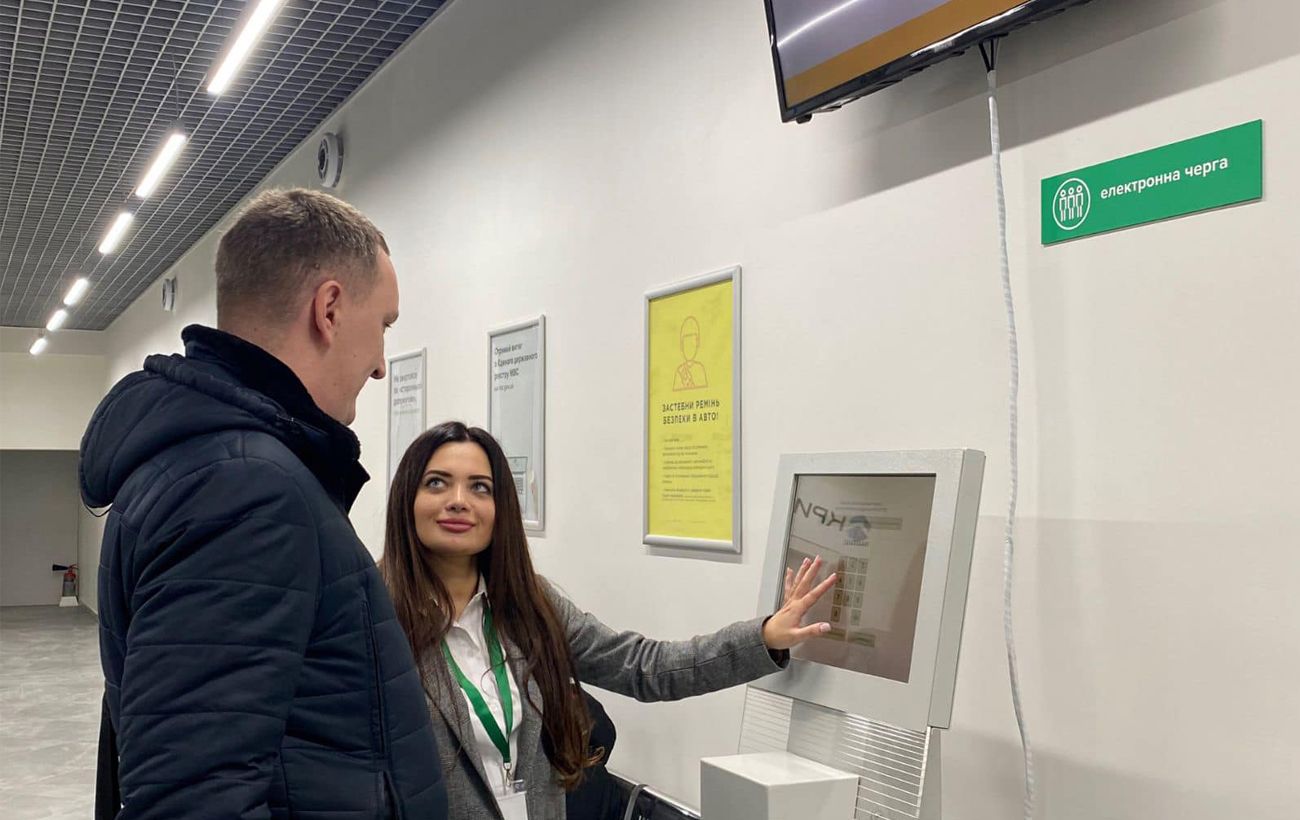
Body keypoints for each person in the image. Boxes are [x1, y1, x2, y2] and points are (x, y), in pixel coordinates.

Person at [80, 189, 447, 819]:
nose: (381, 366)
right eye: (383, 326)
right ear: (329, 309)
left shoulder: (206, 463)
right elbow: (193, 799)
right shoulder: (243, 489)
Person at [378, 422, 836, 820]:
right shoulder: (374, 613)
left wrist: (764, 637)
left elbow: (643, 667)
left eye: (480, 487)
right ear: (407, 498)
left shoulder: (530, 606)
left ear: (501, 508)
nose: (459, 501)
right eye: (437, 483)